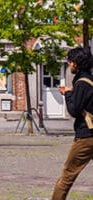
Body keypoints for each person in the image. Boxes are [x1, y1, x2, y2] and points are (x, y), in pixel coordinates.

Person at [53, 46, 93, 199]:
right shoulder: (90, 80)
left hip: (86, 137)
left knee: (66, 177)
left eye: (70, 62)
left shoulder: (81, 84)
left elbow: (74, 111)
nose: (69, 65)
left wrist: (68, 93)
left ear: (76, 63)